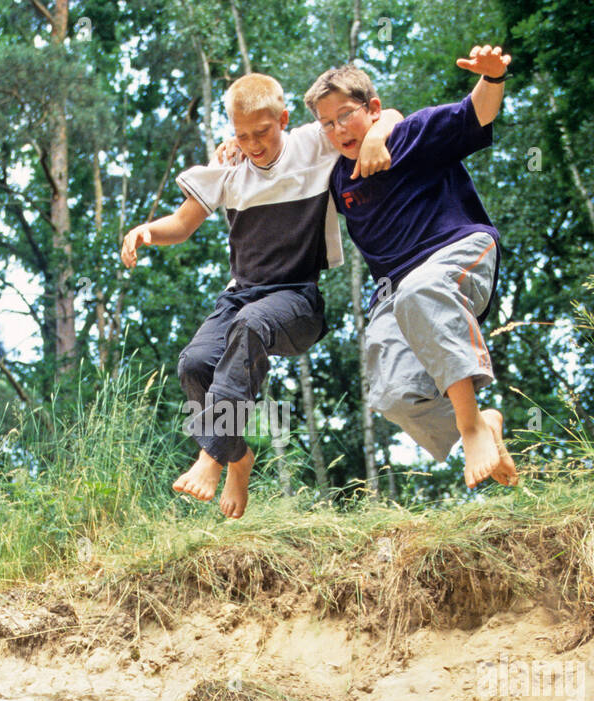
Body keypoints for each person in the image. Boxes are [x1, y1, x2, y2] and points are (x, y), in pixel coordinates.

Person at [121, 72, 402, 517]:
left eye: (262, 132)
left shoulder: (315, 142)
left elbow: (381, 114)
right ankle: (236, 456)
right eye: (241, 135)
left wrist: (376, 138)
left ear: (284, 119)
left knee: (250, 325)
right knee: (195, 363)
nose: (253, 145)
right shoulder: (229, 168)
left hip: (296, 301)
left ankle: (210, 456)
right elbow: (183, 222)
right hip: (240, 297)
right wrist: (147, 232)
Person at [303, 47, 519, 490]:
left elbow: (473, 114)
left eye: (346, 115)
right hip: (394, 290)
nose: (338, 129)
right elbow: (274, 159)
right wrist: (233, 150)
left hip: (457, 252)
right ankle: (483, 420)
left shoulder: (412, 134)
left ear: (374, 108)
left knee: (422, 288)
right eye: (327, 123)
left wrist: (493, 78)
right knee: (392, 393)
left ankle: (470, 428)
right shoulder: (335, 177)